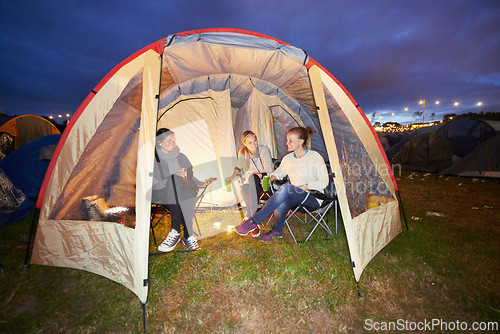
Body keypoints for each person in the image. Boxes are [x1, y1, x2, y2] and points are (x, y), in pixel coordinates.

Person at [234, 126, 329, 241]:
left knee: (286, 188)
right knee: (281, 201)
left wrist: (304, 187)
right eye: (287, 140)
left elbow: (324, 182)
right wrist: (271, 178)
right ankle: (277, 231)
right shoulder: (288, 159)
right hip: (294, 197)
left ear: (301, 141)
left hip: (313, 197)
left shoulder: (314, 157)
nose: (286, 143)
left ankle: (253, 221)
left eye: (290, 141)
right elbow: (279, 172)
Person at [152, 128, 215, 252]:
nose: (173, 143)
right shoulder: (154, 160)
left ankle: (177, 231)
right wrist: (174, 178)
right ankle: (186, 234)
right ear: (159, 142)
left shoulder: (181, 157)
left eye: (174, 140)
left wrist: (202, 183)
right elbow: (154, 183)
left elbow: (190, 178)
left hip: (184, 192)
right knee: (177, 183)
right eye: (169, 140)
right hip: (165, 194)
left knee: (184, 189)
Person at [226, 131, 274, 237]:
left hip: (265, 184)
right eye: (250, 142)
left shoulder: (264, 150)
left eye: (255, 140)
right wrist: (232, 177)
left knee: (252, 177)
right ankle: (253, 223)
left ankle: (249, 219)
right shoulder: (243, 152)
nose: (254, 144)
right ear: (245, 144)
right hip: (252, 186)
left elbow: (270, 171)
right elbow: (238, 167)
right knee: (244, 188)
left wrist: (257, 174)